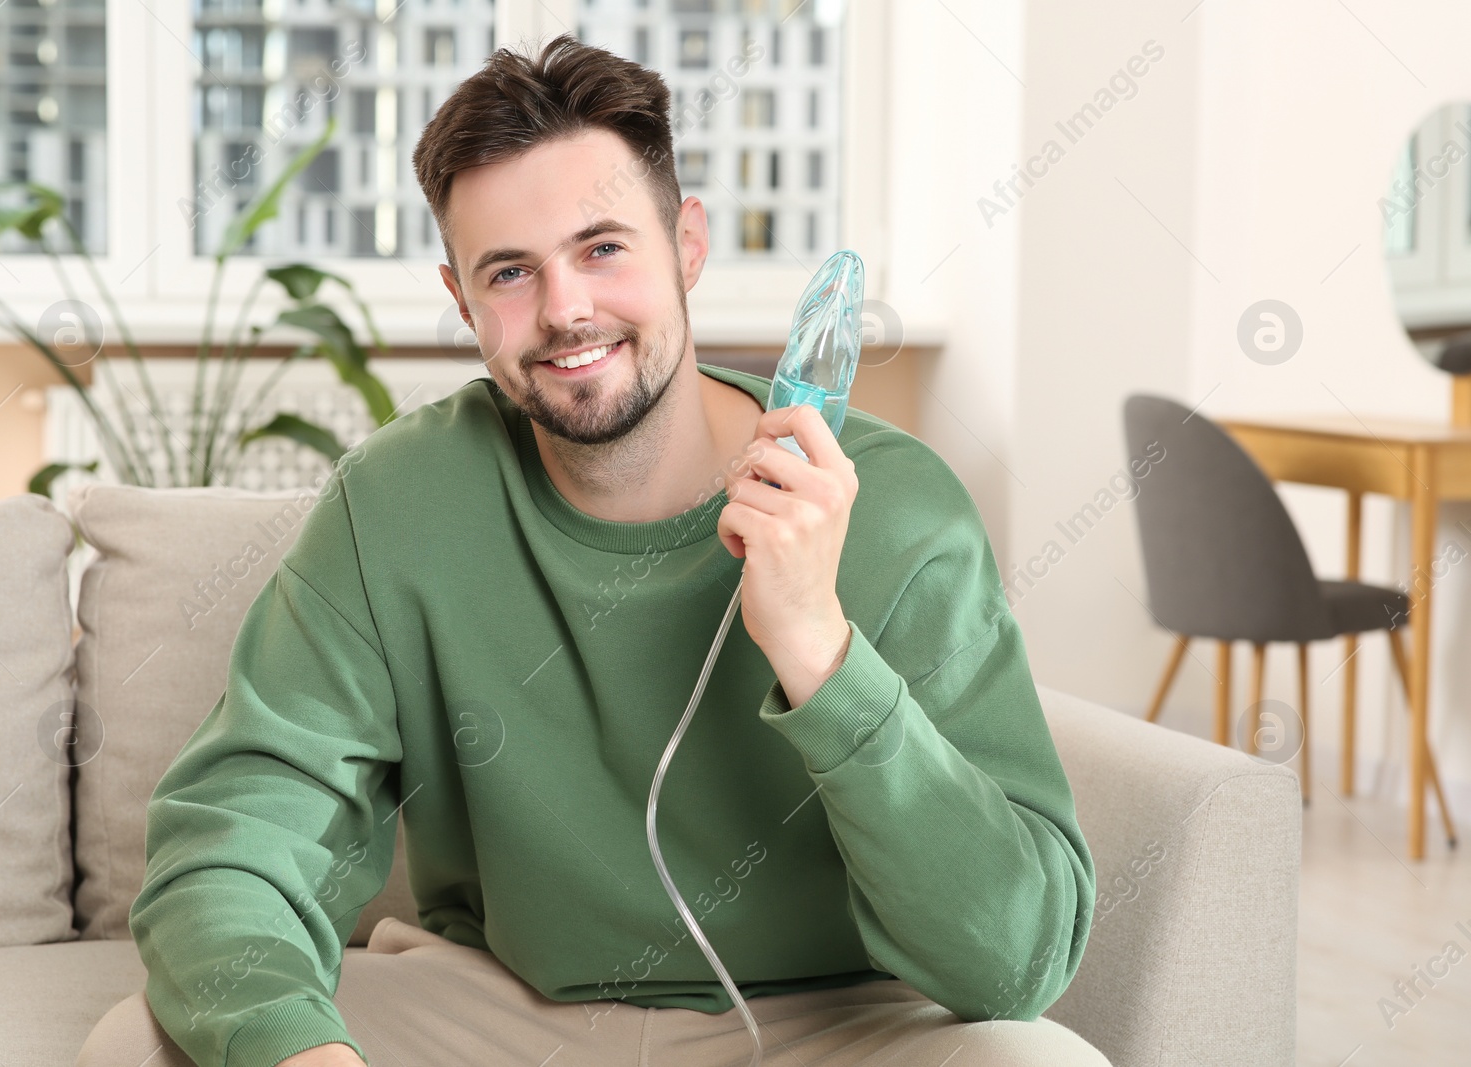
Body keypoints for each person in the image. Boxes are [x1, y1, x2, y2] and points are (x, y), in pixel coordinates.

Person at [79, 34, 1110, 1067]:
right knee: (142, 1045)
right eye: (512, 272)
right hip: (502, 1006)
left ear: (687, 245)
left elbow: (1015, 963)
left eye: (603, 248)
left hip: (834, 1018)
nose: (566, 309)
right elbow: (234, 844)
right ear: (462, 299)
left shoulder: (895, 508)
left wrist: (817, 644)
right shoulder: (398, 503)